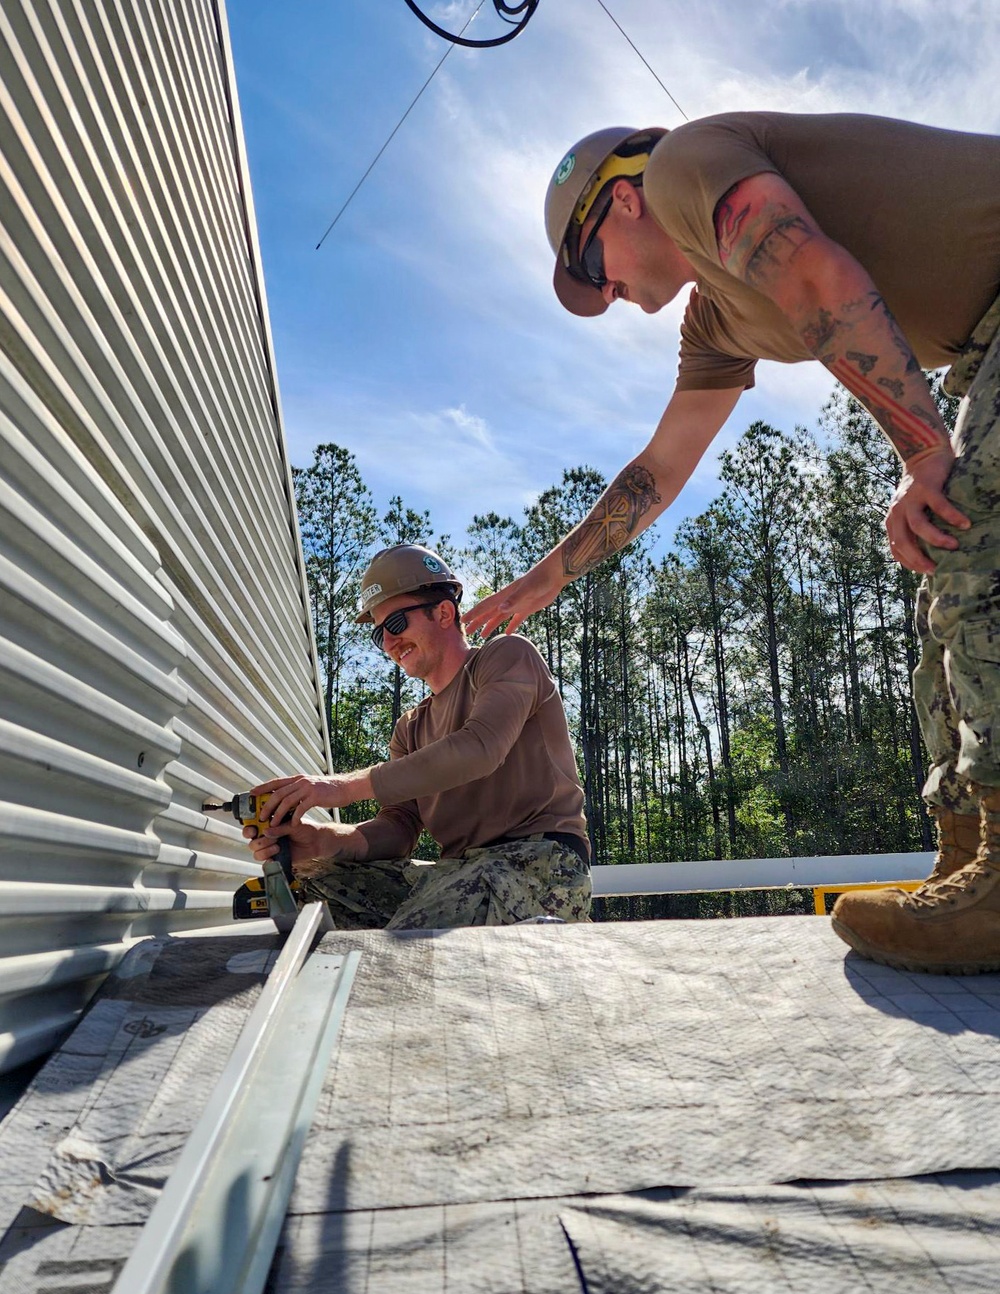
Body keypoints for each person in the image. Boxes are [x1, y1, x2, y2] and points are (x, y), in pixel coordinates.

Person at [463, 111, 1000, 974]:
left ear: (627, 200)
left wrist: (926, 452)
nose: (602, 298)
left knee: (969, 538)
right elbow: (659, 472)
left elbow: (818, 277)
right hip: (982, 343)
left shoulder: (684, 168)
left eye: (591, 266)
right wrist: (546, 578)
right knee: (948, 579)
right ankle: (970, 861)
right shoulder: (713, 326)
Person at [245, 543, 592, 930]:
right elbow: (399, 827)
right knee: (310, 891)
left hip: (541, 863)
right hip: (457, 872)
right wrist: (325, 840)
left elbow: (481, 748)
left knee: (407, 943)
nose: (390, 643)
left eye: (396, 624)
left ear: (444, 612)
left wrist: (340, 789)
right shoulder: (410, 729)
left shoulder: (506, 657)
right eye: (380, 636)